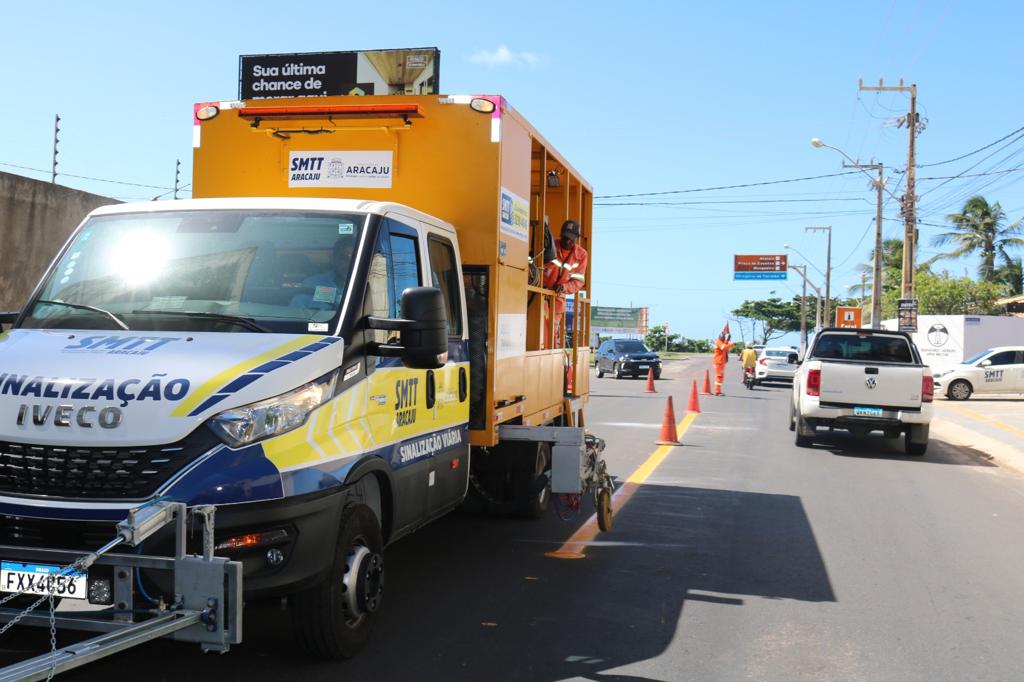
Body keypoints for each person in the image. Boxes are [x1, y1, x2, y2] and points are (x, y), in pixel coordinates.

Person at [542, 220, 588, 349]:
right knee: (538, 331)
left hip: (557, 300)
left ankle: (552, 356)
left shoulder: (581, 255)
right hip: (539, 294)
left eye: (571, 239)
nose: (567, 242)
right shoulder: (550, 246)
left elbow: (578, 281)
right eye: (565, 238)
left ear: (576, 239)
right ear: (561, 235)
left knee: (551, 333)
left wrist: (564, 287)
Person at [290, 237, 355, 310]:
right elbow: (295, 314)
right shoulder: (312, 284)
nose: (349, 263)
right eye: (343, 258)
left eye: (354, 258)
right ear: (333, 259)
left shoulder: (366, 287)